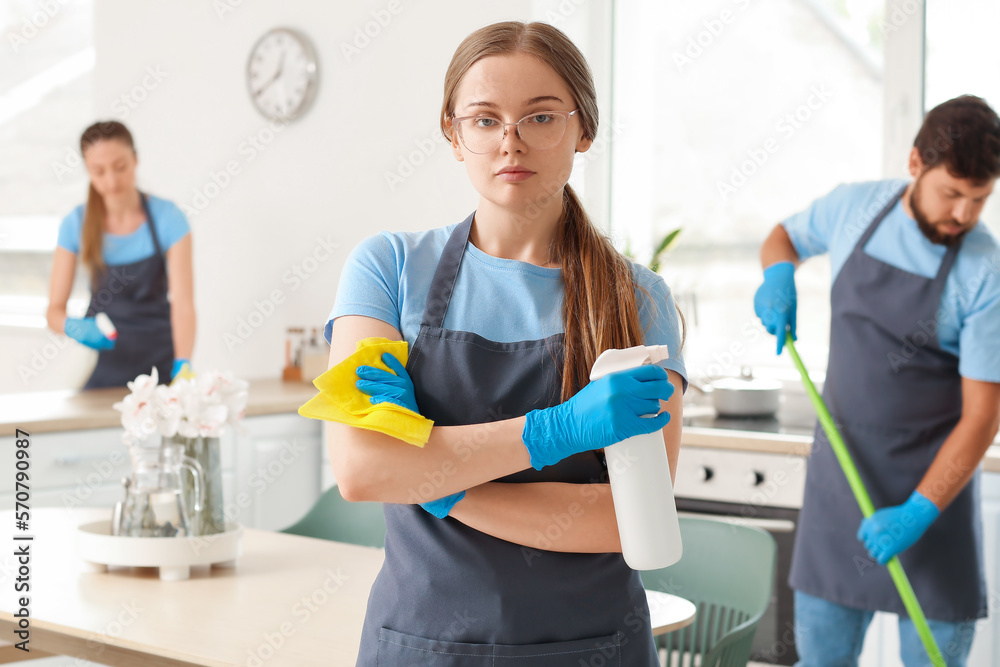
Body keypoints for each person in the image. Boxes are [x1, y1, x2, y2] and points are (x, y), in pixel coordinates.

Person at [324, 21, 686, 667]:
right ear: (453, 133)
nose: (510, 142)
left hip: (591, 647)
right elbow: (362, 470)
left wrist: (437, 482)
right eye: (485, 120)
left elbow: (631, 522)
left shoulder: (638, 298)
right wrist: (557, 430)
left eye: (540, 117)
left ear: (584, 130)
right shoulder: (388, 269)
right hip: (423, 643)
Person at [754, 95, 1000, 666]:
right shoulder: (855, 208)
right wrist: (778, 274)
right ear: (916, 164)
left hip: (934, 504)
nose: (962, 215)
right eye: (951, 193)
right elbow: (782, 236)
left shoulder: (984, 271)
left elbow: (983, 416)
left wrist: (917, 511)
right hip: (842, 483)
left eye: (979, 200)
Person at [47, 120, 195, 389]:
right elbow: (53, 312)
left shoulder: (168, 218)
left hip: (161, 363)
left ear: (135, 159)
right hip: (107, 367)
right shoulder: (75, 224)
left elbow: (183, 305)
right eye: (98, 171)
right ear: (87, 171)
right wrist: (74, 327)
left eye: (120, 167)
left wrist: (183, 363)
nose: (111, 181)